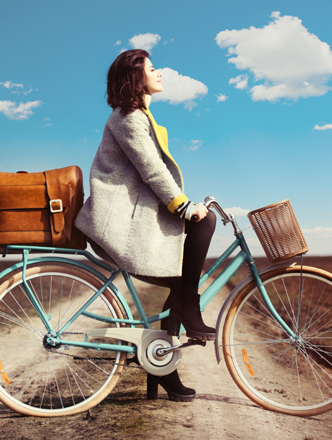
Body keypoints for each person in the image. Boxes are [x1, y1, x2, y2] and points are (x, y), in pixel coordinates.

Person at [74, 49, 217, 402]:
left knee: (187, 265)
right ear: (136, 79)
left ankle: (164, 366)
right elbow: (151, 170)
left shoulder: (139, 117)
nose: (161, 73)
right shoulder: (128, 118)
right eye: (153, 69)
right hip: (117, 226)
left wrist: (184, 207)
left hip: (134, 220)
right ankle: (188, 310)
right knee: (202, 226)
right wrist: (183, 206)